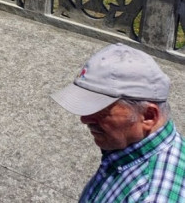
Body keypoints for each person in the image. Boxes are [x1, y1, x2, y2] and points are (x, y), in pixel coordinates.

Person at [51, 43, 185, 202]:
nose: (84, 119)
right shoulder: (128, 151)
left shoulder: (150, 196)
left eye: (100, 108)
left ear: (148, 116)